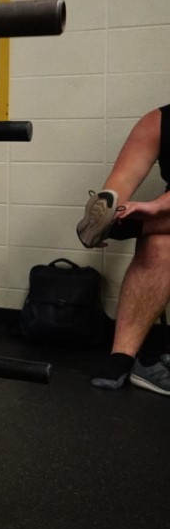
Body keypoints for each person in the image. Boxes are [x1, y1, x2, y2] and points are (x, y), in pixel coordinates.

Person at [81, 104, 170, 396]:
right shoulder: (158, 122)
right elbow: (119, 184)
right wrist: (113, 207)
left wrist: (155, 208)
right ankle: (122, 355)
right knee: (160, 244)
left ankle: (137, 225)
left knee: (156, 227)